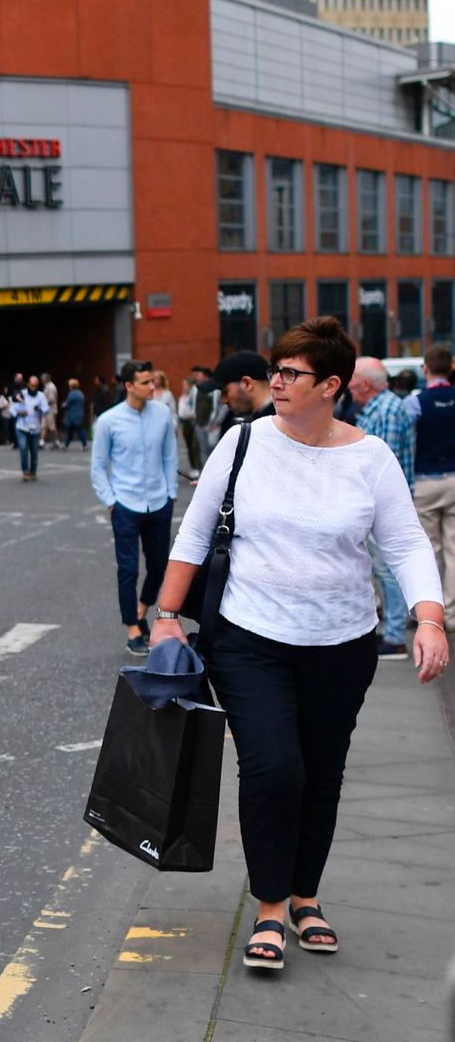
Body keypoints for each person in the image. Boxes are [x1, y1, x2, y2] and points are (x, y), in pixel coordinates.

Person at [152, 317, 446, 972]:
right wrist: (164, 614)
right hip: (248, 636)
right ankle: (268, 906)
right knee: (273, 766)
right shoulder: (244, 443)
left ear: (331, 385)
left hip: (341, 643)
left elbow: (404, 545)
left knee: (321, 770)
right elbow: (195, 531)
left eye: (291, 373)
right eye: (276, 371)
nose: (275, 382)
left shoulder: (370, 459)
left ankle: (306, 897)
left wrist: (429, 618)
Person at [91, 360, 180, 657]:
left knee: (158, 567)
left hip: (158, 503)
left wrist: (171, 493)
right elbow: (98, 466)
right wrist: (111, 501)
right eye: (145, 383)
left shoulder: (163, 414)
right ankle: (132, 627)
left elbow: (170, 455)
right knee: (128, 569)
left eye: (153, 381)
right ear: (129, 386)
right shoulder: (108, 421)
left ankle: (142, 609)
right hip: (125, 505)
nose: (152, 387)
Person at [348, 356, 417, 657]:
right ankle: (390, 632)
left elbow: (378, 466)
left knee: (387, 572)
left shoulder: (386, 409)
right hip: (377, 502)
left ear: (364, 384)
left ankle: (393, 634)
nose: (347, 390)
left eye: (351, 384)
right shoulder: (382, 406)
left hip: (380, 504)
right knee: (383, 570)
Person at [411, 346, 455, 604]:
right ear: (451, 368)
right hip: (454, 478)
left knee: (429, 550)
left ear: (425, 368)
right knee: (453, 549)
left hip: (425, 479)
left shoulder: (414, 403)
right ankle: (451, 611)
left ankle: (432, 605)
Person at [10, 375, 50, 481]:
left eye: (35, 386)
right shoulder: (21, 394)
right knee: (23, 448)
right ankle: (25, 472)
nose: (33, 387)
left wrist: (40, 409)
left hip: (35, 428)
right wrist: (19, 413)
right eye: (32, 385)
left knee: (34, 451)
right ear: (28, 384)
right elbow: (12, 408)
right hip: (21, 427)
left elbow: (46, 409)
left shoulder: (41, 396)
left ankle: (33, 472)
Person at [61, 378, 87, 450]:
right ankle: (67, 445)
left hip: (72, 415)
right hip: (79, 414)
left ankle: (83, 444)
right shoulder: (80, 393)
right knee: (74, 430)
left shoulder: (71, 394)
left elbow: (68, 404)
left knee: (75, 430)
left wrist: (64, 405)